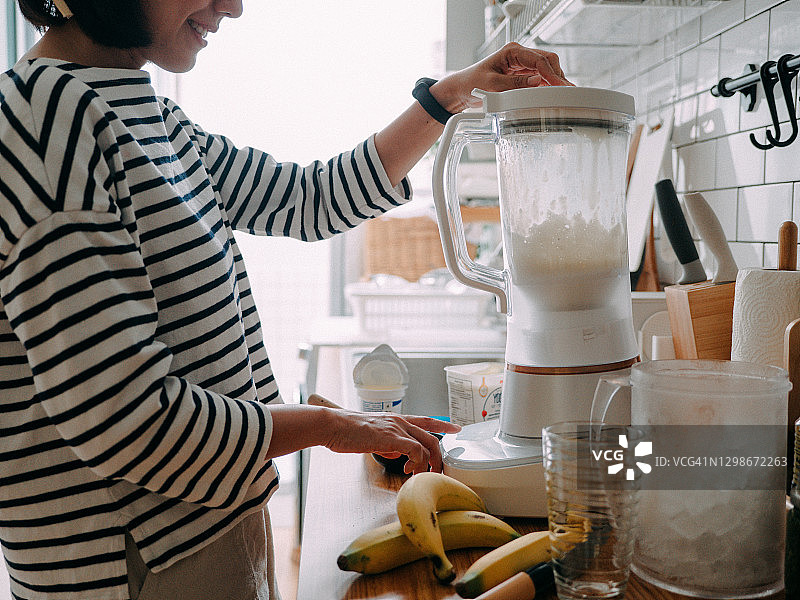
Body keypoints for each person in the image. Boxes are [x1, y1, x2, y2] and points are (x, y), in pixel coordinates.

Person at [0, 1, 571, 598]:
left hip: (206, 517)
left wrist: (450, 94)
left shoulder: (141, 112)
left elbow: (308, 199)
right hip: (130, 559)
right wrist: (325, 425)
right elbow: (128, 422)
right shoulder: (43, 123)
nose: (234, 6)